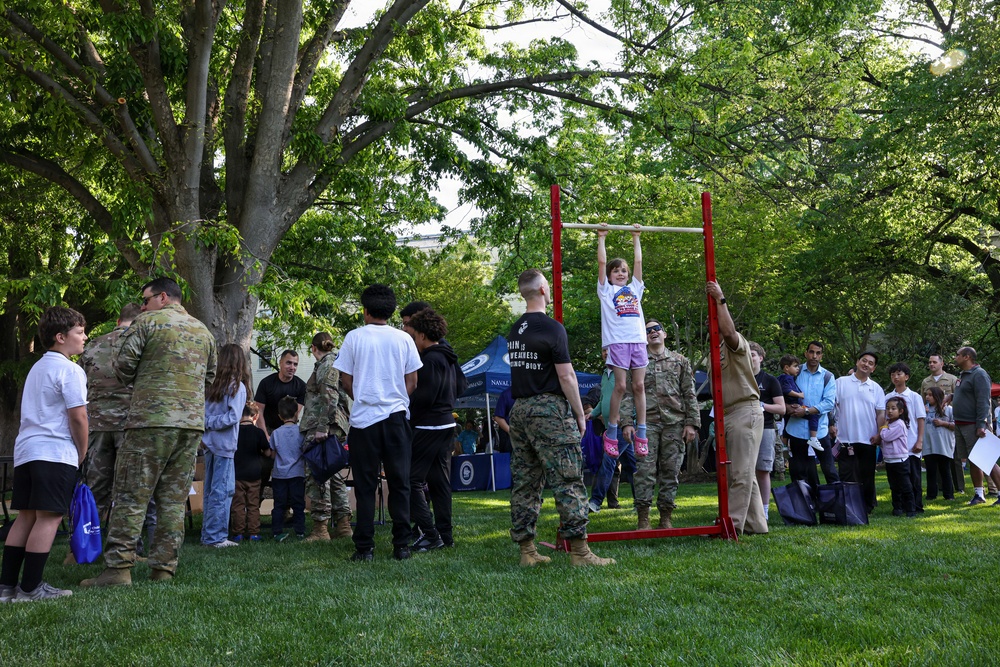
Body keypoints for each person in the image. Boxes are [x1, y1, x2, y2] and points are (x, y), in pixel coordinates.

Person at [82, 277, 217, 587]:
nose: (141, 306)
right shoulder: (203, 330)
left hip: (149, 422)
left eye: (145, 299)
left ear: (164, 297)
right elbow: (209, 378)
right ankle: (163, 569)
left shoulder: (146, 323)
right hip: (190, 425)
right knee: (172, 501)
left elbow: (123, 368)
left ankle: (118, 570)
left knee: (131, 497)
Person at [507, 268, 614, 566]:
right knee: (568, 478)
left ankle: (527, 552)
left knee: (526, 481)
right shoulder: (553, 328)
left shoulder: (515, 329)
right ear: (543, 289)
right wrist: (580, 414)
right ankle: (580, 552)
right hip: (549, 411)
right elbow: (566, 376)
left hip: (520, 410)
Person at [0, 307, 88, 602]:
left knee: (25, 517)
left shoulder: (36, 368)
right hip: (55, 451)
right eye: (79, 332)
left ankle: (6, 587)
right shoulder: (70, 369)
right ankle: (30, 589)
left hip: (26, 451)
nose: (85, 337)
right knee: (49, 518)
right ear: (61, 337)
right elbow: (79, 417)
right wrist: (82, 451)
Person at [334, 284, 422, 562]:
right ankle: (402, 546)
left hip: (364, 422)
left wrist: (362, 397)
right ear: (391, 310)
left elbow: (345, 380)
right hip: (396, 419)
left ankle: (364, 548)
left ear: (365, 311)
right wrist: (394, 399)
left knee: (364, 485)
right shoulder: (404, 339)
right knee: (400, 483)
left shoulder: (353, 338)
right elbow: (413, 381)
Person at [621, 320, 700, 530]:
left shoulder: (680, 361)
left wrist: (692, 423)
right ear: (644, 336)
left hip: (675, 424)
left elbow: (689, 394)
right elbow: (628, 394)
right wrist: (627, 423)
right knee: (644, 472)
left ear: (664, 334)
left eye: (657, 329)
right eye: (648, 331)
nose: (653, 332)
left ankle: (666, 517)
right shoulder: (636, 362)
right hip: (647, 425)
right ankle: (643, 518)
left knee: (671, 471)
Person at [705, 281, 767, 535]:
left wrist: (721, 299)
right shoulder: (713, 353)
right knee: (741, 471)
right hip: (726, 415)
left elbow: (729, 331)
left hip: (745, 410)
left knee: (740, 472)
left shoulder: (737, 345)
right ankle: (756, 524)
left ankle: (731, 526)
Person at [78, 303, 141, 525]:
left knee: (94, 488)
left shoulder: (92, 346)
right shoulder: (141, 346)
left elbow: (79, 385)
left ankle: (80, 546)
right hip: (129, 426)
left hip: (96, 425)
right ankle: (129, 547)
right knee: (129, 489)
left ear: (118, 321)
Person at [403, 308, 460, 551]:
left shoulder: (430, 360)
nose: (413, 341)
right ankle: (445, 535)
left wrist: (407, 411)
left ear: (423, 336)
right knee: (439, 480)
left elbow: (424, 396)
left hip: (429, 425)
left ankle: (429, 533)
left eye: (414, 336)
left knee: (410, 480)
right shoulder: (447, 356)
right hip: (446, 424)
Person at [595, 226, 647, 457]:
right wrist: (602, 239)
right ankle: (612, 431)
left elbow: (638, 264)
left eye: (623, 271)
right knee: (621, 386)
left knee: (639, 386)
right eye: (616, 271)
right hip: (617, 343)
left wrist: (636, 238)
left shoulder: (635, 289)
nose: (621, 273)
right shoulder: (606, 291)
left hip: (638, 342)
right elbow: (601, 263)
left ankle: (642, 432)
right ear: (610, 275)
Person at [298, 332, 353, 542]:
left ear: (313, 348)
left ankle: (321, 529)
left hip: (322, 427)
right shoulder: (335, 362)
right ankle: (343, 525)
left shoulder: (326, 364)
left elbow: (329, 397)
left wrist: (321, 428)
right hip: (334, 425)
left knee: (318, 473)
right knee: (334, 475)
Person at [200, 343, 252, 548]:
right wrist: (211, 423)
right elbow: (233, 417)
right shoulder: (236, 386)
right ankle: (216, 537)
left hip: (210, 445)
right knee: (223, 490)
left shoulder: (213, 386)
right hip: (224, 446)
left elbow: (203, 415)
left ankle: (208, 534)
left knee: (211, 491)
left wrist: (207, 426)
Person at [831, 351, 885, 514]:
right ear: (857, 361)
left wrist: (879, 434)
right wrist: (831, 425)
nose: (866, 364)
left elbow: (881, 413)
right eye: (864, 360)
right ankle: (848, 506)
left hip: (868, 439)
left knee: (867, 475)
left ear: (873, 368)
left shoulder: (876, 388)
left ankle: (867, 506)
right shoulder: (841, 382)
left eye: (870, 363)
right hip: (845, 438)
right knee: (847, 474)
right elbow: (832, 406)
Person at [783, 341, 839, 490]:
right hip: (797, 429)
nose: (814, 356)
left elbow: (828, 403)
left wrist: (807, 411)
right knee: (799, 472)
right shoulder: (796, 371)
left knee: (829, 470)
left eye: (818, 353)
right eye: (812, 352)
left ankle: (837, 505)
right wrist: (788, 407)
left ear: (821, 356)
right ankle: (804, 507)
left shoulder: (827, 376)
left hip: (819, 430)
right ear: (806, 353)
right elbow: (782, 390)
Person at [587, 348, 636, 514]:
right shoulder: (604, 374)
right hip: (611, 427)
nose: (606, 354)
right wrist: (592, 415)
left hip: (623, 426)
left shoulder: (624, 372)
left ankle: (595, 501)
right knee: (632, 465)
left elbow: (633, 396)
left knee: (608, 461)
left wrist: (627, 418)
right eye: (603, 351)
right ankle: (642, 501)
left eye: (610, 351)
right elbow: (603, 400)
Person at [951, 346, 1000, 506]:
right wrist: (951, 396)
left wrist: (981, 425)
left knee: (987, 459)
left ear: (966, 357)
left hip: (974, 425)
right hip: (961, 424)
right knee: (974, 460)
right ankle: (979, 495)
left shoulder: (979, 374)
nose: (955, 357)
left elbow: (983, 401)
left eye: (957, 355)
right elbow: (966, 394)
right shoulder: (964, 375)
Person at [750, 342, 785, 521]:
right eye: (746, 354)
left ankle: (763, 511)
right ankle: (744, 511)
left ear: (760, 358)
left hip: (766, 429)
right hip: (743, 430)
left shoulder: (770, 380)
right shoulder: (739, 378)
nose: (750, 357)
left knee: (763, 470)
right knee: (742, 471)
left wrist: (763, 406)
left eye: (753, 354)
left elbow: (782, 408)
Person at [885, 363, 926, 513]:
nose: (895, 377)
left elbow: (921, 419)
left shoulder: (914, 396)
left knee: (914, 478)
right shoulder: (888, 397)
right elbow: (885, 420)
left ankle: (916, 506)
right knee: (896, 479)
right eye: (893, 374)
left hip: (911, 444)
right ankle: (899, 506)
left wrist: (920, 440)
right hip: (895, 448)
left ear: (906, 377)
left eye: (899, 374)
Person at [920, 353, 962, 493]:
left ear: (941, 363)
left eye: (934, 362)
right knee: (933, 459)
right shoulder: (926, 381)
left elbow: (958, 397)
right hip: (931, 424)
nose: (931, 364)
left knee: (953, 458)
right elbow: (923, 400)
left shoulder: (952, 379)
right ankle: (938, 487)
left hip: (948, 419)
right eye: (930, 362)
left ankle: (959, 487)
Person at [230, 403, 271, 541]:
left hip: (237, 474)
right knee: (253, 505)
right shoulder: (258, 432)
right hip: (254, 474)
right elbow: (267, 452)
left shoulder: (234, 431)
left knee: (238, 505)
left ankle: (238, 533)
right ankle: (254, 533)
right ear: (255, 416)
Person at [270, 397, 306, 541]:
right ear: (297, 414)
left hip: (279, 475)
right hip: (297, 473)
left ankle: (277, 531)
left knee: (279, 504)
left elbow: (272, 454)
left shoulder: (276, 433)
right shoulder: (301, 432)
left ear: (279, 416)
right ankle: (300, 531)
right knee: (298, 504)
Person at [253, 350, 307, 436]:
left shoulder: (301, 386)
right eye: (288, 363)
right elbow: (258, 411)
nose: (292, 367)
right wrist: (265, 436)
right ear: (280, 362)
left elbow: (295, 414)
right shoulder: (266, 383)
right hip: (268, 429)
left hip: (289, 430)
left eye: (295, 364)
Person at [777, 355, 822, 452]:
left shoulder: (782, 378)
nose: (798, 368)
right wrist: (799, 395)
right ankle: (813, 438)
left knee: (787, 424)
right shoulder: (787, 378)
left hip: (788, 406)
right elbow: (786, 390)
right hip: (792, 405)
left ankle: (784, 444)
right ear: (786, 368)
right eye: (795, 366)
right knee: (813, 414)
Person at [881, 397, 916, 517]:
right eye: (887, 408)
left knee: (905, 485)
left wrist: (883, 426)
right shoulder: (890, 423)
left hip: (900, 460)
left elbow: (885, 436)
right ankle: (897, 508)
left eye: (893, 408)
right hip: (890, 460)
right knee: (894, 486)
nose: (889, 411)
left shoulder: (899, 424)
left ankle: (911, 509)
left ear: (900, 411)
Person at [923, 387, 955, 501]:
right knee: (931, 471)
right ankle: (931, 494)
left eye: (930, 395)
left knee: (945, 470)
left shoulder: (948, 409)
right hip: (928, 444)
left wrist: (943, 423)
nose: (927, 397)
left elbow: (956, 426)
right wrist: (923, 413)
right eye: (926, 395)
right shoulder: (924, 409)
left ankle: (949, 495)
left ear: (937, 396)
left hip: (943, 445)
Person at [492, 388, 514, 454]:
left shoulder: (533, 392)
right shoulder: (507, 394)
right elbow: (498, 417)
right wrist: (512, 432)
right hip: (509, 437)